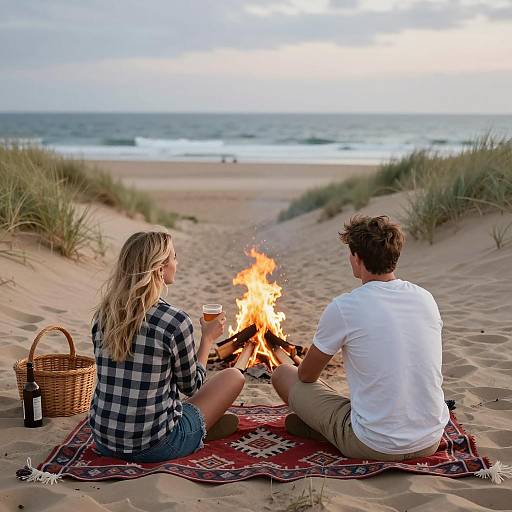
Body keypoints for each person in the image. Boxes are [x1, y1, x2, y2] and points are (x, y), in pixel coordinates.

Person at [271, 215, 449, 461]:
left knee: (283, 374)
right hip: (430, 439)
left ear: (357, 258)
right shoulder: (425, 298)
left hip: (374, 445)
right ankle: (324, 427)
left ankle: (324, 429)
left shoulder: (345, 307)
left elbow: (306, 376)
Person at [89, 231, 244, 463]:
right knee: (234, 376)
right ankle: (200, 429)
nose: (177, 262)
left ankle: (202, 423)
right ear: (160, 268)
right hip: (156, 445)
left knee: (168, 398)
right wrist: (207, 340)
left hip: (104, 440)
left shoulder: (104, 315)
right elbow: (192, 386)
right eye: (174, 257)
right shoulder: (174, 321)